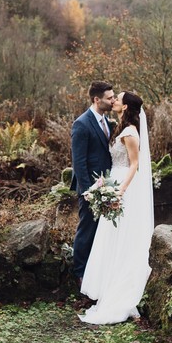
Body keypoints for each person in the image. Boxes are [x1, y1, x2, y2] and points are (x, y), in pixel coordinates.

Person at [79, 91, 153, 325]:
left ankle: (121, 292)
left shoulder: (130, 132)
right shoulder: (120, 128)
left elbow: (134, 165)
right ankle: (108, 287)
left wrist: (119, 191)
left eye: (118, 99)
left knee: (122, 237)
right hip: (113, 181)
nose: (115, 101)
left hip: (123, 187)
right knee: (111, 237)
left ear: (126, 107)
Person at [70, 81, 115, 283]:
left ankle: (97, 272)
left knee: (101, 232)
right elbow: (78, 162)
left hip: (106, 186)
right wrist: (88, 191)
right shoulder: (82, 123)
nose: (113, 100)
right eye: (109, 98)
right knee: (86, 230)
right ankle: (80, 274)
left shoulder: (108, 121)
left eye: (114, 97)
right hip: (90, 188)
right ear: (97, 100)